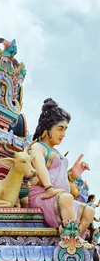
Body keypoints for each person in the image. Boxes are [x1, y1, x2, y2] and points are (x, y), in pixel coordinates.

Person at [28, 98, 95, 246]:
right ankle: (73, 242)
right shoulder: (37, 147)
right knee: (66, 198)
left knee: (89, 210)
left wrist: (73, 175)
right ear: (47, 130)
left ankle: (76, 240)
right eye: (60, 128)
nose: (63, 133)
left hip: (59, 197)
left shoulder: (57, 152)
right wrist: (49, 188)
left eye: (65, 129)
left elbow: (67, 183)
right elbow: (40, 166)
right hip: (42, 195)